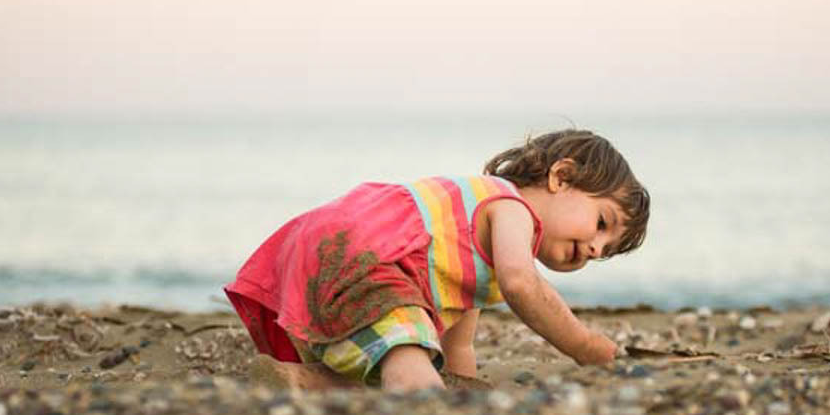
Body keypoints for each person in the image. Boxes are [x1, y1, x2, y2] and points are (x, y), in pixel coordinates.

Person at [224, 129, 650, 392]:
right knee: (407, 355)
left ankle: (301, 380)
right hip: (370, 255)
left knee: (383, 360)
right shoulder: (510, 206)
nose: (596, 249)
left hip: (328, 247)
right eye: (601, 223)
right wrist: (586, 346)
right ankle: (425, 410)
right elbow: (524, 285)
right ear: (562, 177)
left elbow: (457, 344)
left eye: (606, 252)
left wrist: (460, 383)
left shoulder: (474, 249)